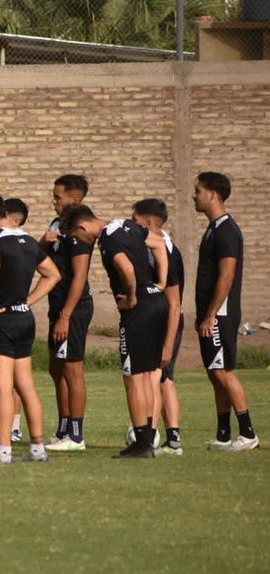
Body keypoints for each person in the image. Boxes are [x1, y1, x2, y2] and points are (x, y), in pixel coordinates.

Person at [62, 204, 168, 458]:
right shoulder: (126, 225)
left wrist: (131, 297)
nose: (81, 242)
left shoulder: (108, 237)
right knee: (146, 374)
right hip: (157, 301)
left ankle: (142, 444)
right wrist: (161, 283)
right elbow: (159, 244)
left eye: (77, 237)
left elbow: (127, 268)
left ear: (82, 227)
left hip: (139, 308)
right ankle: (146, 439)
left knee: (133, 377)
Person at [0, 192, 60, 464]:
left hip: (1, 323)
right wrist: (25, 302)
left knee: (1, 386)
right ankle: (37, 448)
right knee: (26, 386)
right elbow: (53, 275)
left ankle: (3, 451)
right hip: (24, 319)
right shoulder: (29, 241)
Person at [192, 171, 258, 451]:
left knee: (223, 371)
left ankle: (248, 433)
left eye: (198, 190)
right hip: (210, 314)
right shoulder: (213, 228)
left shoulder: (227, 230)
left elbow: (227, 275)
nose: (194, 196)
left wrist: (210, 314)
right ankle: (223, 434)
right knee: (214, 371)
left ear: (213, 194)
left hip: (220, 315)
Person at [39, 175, 93, 451]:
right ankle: (63, 429)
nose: (54, 201)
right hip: (56, 305)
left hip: (73, 309)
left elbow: (80, 276)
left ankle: (76, 436)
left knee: (72, 369)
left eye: (57, 197)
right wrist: (43, 242)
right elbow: (39, 258)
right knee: (56, 367)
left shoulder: (78, 230)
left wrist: (65, 316)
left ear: (75, 198)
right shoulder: (56, 224)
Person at [131, 198, 184, 455]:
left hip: (165, 322)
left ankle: (148, 438)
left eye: (136, 221)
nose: (132, 226)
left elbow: (175, 304)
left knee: (154, 377)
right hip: (157, 320)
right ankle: (173, 441)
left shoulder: (168, 253)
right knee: (164, 378)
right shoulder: (151, 248)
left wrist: (168, 345)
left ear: (150, 222)